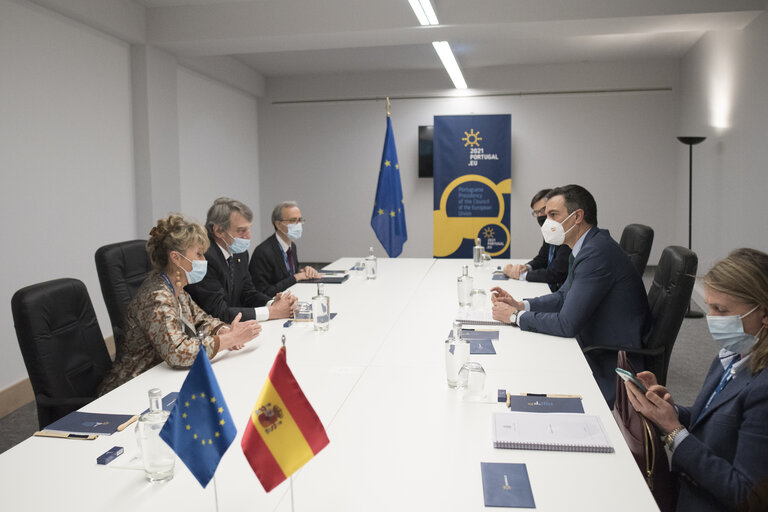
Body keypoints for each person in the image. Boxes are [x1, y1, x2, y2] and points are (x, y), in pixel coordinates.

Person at [626, 248, 768, 512]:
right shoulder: (733, 355)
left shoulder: (763, 390)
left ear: (765, 314)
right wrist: (670, 411)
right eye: (710, 307)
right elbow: (713, 423)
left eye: (721, 310)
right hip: (684, 485)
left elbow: (745, 494)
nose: (711, 319)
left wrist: (674, 432)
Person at [491, 184, 651, 404]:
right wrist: (521, 305)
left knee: (528, 367)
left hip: (610, 355)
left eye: (553, 215)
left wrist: (514, 317)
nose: (547, 223)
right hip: (593, 335)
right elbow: (564, 296)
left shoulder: (596, 253)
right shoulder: (586, 246)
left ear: (577, 217)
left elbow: (567, 324)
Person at [98, 214, 261, 395]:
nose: (204, 261)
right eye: (198, 254)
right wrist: (229, 340)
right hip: (131, 388)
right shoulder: (157, 296)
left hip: (161, 379)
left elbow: (203, 320)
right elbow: (177, 352)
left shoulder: (177, 289)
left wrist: (224, 330)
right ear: (176, 257)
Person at [186, 197, 295, 323]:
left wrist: (272, 303)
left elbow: (247, 293)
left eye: (248, 229)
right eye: (241, 230)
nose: (248, 236)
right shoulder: (205, 258)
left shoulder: (240, 253)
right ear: (218, 230)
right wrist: (271, 312)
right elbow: (218, 312)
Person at [503, 188, 571, 291]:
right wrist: (526, 268)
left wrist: (519, 275)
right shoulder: (550, 231)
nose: (540, 216)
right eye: (536, 212)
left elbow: (556, 273)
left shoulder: (567, 233)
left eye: (543, 210)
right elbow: (542, 258)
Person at [249, 201, 319, 296]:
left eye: (300, 220)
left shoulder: (292, 246)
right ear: (278, 224)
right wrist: (296, 277)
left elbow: (288, 275)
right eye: (293, 220)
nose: (298, 224)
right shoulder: (263, 252)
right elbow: (262, 293)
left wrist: (304, 271)